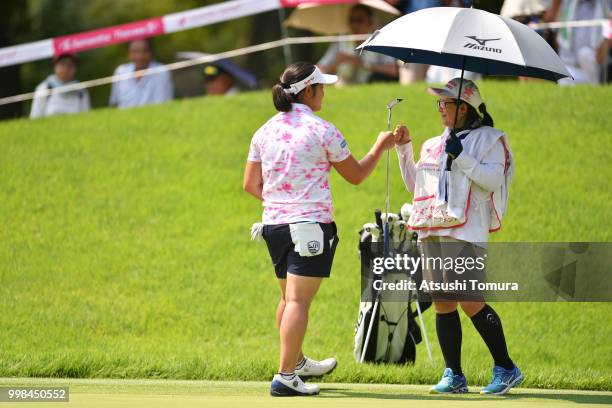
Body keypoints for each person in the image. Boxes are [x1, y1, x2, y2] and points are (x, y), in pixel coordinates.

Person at [243, 62, 395, 396]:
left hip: (273, 226)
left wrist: (281, 205)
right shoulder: (323, 129)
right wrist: (380, 147)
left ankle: (295, 361)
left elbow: (250, 184)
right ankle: (285, 376)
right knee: (297, 302)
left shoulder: (264, 130)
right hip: (309, 228)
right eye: (321, 87)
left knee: (288, 298)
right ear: (308, 91)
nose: (325, 92)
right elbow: (355, 175)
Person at [393, 78, 522, 395]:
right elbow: (416, 186)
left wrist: (462, 155)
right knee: (442, 303)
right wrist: (404, 149)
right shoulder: (434, 144)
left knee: (470, 301)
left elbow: (492, 180)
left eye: (444, 103)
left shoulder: (491, 139)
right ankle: (454, 374)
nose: (440, 109)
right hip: (432, 229)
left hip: (466, 230)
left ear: (463, 107)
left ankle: (506, 368)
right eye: (438, 103)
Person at [318, 4, 399, 85]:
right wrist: (335, 65)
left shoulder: (380, 42)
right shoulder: (340, 43)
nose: (354, 24)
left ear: (370, 23)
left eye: (359, 20)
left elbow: (394, 70)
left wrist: (362, 64)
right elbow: (319, 69)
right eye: (351, 20)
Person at [548, 0, 611, 84]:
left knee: (585, 54)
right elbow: (556, 28)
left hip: (595, 63)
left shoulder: (606, 3)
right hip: (569, 61)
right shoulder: (568, 3)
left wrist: (605, 45)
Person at [109, 39, 173, 108]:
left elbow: (164, 105)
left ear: (151, 53)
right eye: (135, 51)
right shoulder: (120, 71)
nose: (140, 56)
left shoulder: (161, 72)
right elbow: (114, 104)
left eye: (144, 51)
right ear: (129, 54)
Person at [30, 53, 90, 119]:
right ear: (55, 66)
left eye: (70, 65)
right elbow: (35, 118)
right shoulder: (44, 88)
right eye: (63, 64)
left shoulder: (81, 90)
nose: (66, 69)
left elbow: (86, 117)